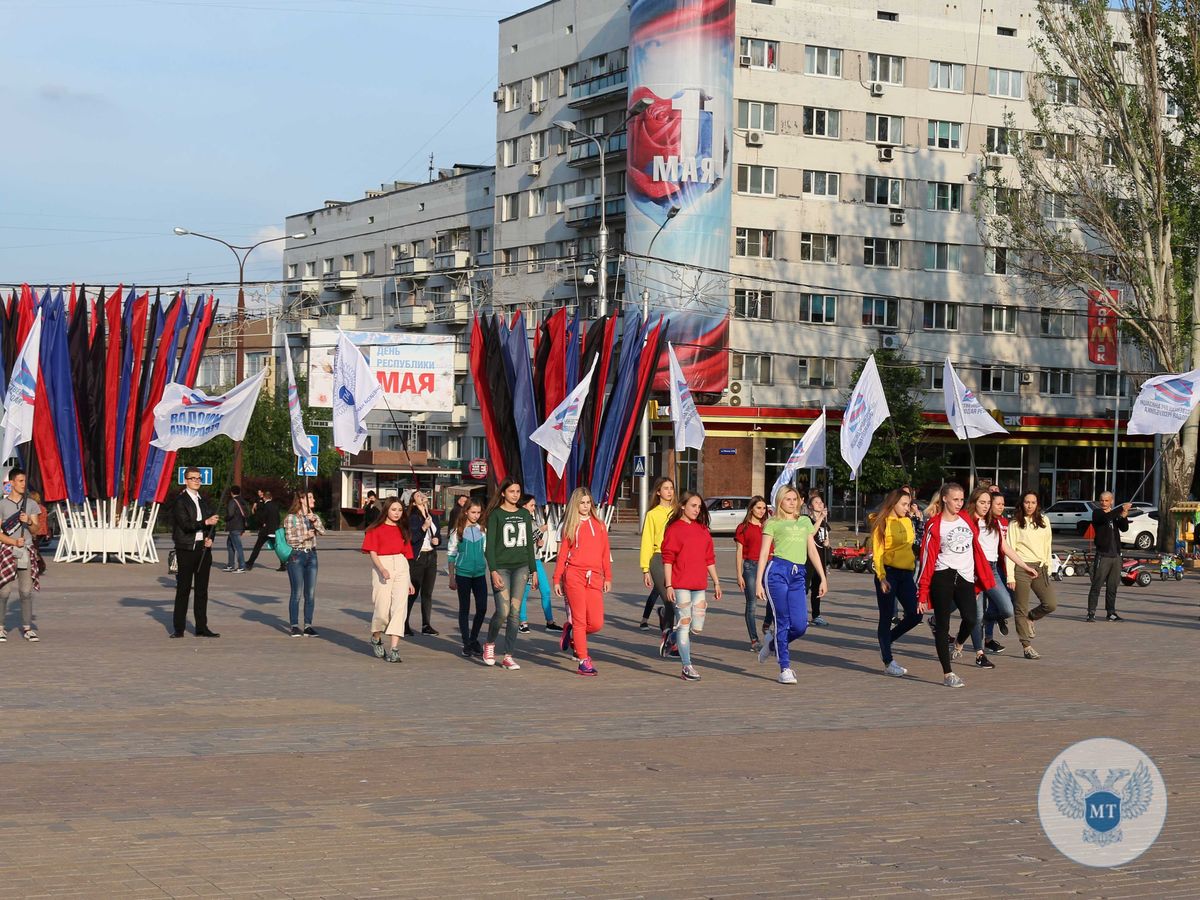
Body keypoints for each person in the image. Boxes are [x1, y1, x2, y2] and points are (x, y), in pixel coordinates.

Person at [916, 483, 995, 688]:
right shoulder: (935, 525)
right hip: (943, 576)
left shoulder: (966, 519)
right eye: (955, 499)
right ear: (944, 499)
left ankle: (959, 643)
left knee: (971, 618)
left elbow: (977, 546)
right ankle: (948, 673)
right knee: (943, 625)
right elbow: (926, 559)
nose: (959, 503)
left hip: (966, 578)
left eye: (961, 499)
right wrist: (922, 594)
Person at [755, 486, 826, 685]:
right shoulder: (772, 522)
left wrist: (823, 577)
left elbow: (812, 550)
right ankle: (784, 667)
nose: (792, 502)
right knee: (783, 620)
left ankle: (771, 645)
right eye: (787, 499)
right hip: (777, 572)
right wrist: (759, 583)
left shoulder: (804, 522)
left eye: (794, 498)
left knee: (800, 625)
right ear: (780, 501)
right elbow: (763, 554)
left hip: (798, 575)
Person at [960, 488, 1036, 669]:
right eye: (982, 502)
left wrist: (1025, 566)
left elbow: (1006, 548)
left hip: (992, 570)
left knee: (1008, 609)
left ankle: (981, 623)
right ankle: (980, 654)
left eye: (988, 503)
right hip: (974, 571)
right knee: (974, 615)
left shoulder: (993, 523)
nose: (986, 506)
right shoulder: (967, 521)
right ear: (974, 503)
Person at [661, 491, 722, 682]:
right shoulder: (674, 529)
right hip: (680, 585)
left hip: (699, 585)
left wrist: (717, 582)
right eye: (693, 506)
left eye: (699, 507)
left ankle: (671, 637)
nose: (697, 510)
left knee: (697, 627)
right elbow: (668, 559)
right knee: (685, 625)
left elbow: (709, 559)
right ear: (683, 506)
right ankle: (686, 666)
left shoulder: (703, 530)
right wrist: (669, 585)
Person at [552, 487, 612, 676]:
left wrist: (608, 577)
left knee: (596, 623)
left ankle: (572, 635)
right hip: (574, 576)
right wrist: (556, 579)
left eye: (588, 503)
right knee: (579, 620)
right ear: (575, 504)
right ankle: (583, 660)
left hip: (594, 577)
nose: (586, 506)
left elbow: (605, 554)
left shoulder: (600, 525)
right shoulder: (571, 525)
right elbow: (562, 555)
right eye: (582, 503)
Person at [482, 479, 536, 669]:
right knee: (503, 611)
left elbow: (529, 544)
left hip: (521, 567)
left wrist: (534, 570)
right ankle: (489, 644)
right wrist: (493, 571)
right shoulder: (496, 515)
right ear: (503, 493)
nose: (515, 494)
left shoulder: (524, 514)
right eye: (512, 491)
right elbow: (489, 548)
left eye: (518, 491)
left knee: (515, 612)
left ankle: (508, 655)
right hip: (502, 568)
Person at [871, 488, 921, 677]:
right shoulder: (881, 523)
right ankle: (888, 660)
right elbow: (878, 552)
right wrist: (881, 577)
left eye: (909, 504)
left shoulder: (908, 521)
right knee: (886, 617)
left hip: (907, 573)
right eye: (904, 504)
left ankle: (887, 639)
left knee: (916, 614)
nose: (907, 508)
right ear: (893, 504)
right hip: (888, 573)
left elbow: (911, 545)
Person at [170, 466, 221, 638]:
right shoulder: (180, 501)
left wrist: (210, 537)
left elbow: (212, 523)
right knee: (183, 589)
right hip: (186, 549)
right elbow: (186, 525)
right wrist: (205, 523)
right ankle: (179, 628)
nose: (197, 481)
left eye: (199, 478)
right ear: (186, 480)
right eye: (193, 478)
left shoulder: (202, 501)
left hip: (203, 549)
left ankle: (201, 627)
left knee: (202, 590)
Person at [363, 496, 415, 663]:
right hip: (382, 565)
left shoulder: (403, 529)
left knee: (400, 608)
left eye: (400, 510)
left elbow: (406, 555)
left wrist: (409, 581)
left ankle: (394, 649)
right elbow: (372, 551)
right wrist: (382, 569)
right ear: (386, 510)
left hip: (401, 565)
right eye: (393, 509)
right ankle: (376, 637)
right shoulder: (375, 529)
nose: (397, 513)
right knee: (382, 609)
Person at [1008, 491, 1058, 659]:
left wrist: (1049, 567)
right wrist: (1010, 576)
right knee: (1020, 607)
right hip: (1021, 568)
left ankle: (1031, 618)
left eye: (1033, 502)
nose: (1030, 505)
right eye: (1027, 502)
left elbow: (1048, 546)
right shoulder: (1015, 524)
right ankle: (1026, 645)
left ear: (1038, 504)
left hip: (1040, 568)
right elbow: (1009, 550)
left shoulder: (1044, 521)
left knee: (1050, 604)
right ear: (1022, 503)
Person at [0, 468, 43, 642]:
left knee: (26, 591)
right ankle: (1, 627)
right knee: (4, 592)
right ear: (11, 483)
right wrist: (12, 542)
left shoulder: (31, 504)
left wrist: (29, 521)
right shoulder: (2, 505)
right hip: (7, 551)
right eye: (20, 481)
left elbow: (36, 530)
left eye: (25, 481)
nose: (23, 484)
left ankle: (27, 628)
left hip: (26, 551)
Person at [638, 477, 677, 650]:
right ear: (659, 492)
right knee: (670, 600)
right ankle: (670, 639)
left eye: (671, 488)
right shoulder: (653, 514)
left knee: (678, 601)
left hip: (677, 560)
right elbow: (646, 541)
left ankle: (663, 615)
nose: (669, 491)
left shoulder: (679, 511)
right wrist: (645, 569)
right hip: (659, 559)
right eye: (666, 488)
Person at [447, 500, 488, 659]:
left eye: (478, 513)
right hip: (463, 574)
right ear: (466, 512)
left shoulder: (483, 530)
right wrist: (451, 577)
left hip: (479, 574)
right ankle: (466, 643)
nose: (476, 516)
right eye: (473, 512)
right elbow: (451, 554)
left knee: (482, 608)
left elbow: (486, 552)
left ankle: (473, 639)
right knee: (465, 609)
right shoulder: (457, 531)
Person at [283, 490, 325, 637]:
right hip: (297, 556)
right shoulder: (291, 518)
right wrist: (305, 535)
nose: (313, 499)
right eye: (310, 497)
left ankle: (308, 625)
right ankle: (294, 625)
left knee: (311, 593)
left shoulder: (313, 516)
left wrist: (314, 521)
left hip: (312, 555)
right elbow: (290, 539)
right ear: (301, 500)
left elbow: (322, 531)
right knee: (297, 593)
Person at [518, 493, 560, 633]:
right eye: (532, 505)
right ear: (524, 506)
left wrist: (539, 543)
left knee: (546, 590)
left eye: (534, 505)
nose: (534, 508)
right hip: (525, 561)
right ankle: (522, 622)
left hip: (536, 559)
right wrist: (541, 530)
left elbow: (534, 540)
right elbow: (525, 538)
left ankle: (550, 621)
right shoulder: (520, 520)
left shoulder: (532, 519)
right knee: (524, 591)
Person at [1086, 492, 1131, 622]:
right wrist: (1120, 508)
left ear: (1111, 501)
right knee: (1097, 584)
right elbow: (1106, 518)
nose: (1103, 503)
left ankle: (1111, 612)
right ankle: (1091, 612)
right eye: (1102, 500)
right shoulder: (1098, 513)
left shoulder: (1115, 514)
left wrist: (1123, 515)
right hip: (1103, 555)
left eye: (1106, 500)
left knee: (1113, 586)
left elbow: (1124, 528)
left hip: (1115, 555)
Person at [734, 495, 769, 651]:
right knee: (752, 604)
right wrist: (738, 574)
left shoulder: (768, 526)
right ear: (751, 508)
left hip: (769, 566)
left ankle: (767, 624)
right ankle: (754, 640)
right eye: (758, 508)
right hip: (751, 567)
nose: (761, 511)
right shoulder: (743, 527)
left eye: (764, 508)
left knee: (775, 600)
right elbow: (739, 551)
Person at [405, 490, 441, 636]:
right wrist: (423, 527)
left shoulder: (432, 516)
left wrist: (437, 540)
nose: (422, 496)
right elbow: (412, 538)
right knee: (413, 593)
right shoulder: (413, 517)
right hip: (418, 558)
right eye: (418, 495)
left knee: (427, 593)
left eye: (422, 494)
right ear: (413, 502)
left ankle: (426, 624)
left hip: (431, 556)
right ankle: (404, 623)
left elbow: (437, 534)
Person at [802, 491, 832, 626]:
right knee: (804, 588)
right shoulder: (806, 520)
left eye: (821, 502)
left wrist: (827, 544)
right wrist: (820, 518)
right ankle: (801, 614)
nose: (820, 504)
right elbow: (811, 532)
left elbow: (826, 541)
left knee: (817, 588)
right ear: (810, 506)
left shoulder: (825, 524)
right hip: (807, 560)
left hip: (820, 559)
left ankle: (816, 614)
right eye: (816, 502)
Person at [244, 490, 280, 571]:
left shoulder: (265, 506)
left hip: (265, 531)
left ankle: (249, 564)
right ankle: (283, 563)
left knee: (257, 547)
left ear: (264, 498)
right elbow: (278, 518)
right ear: (271, 497)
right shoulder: (275, 506)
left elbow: (261, 517)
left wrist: (262, 522)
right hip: (274, 530)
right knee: (277, 548)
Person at [223, 485, 247, 573]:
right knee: (230, 545)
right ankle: (230, 565)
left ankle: (241, 566)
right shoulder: (243, 501)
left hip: (234, 526)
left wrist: (225, 518)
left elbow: (230, 514)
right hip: (240, 525)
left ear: (231, 492)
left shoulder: (233, 501)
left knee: (237, 547)